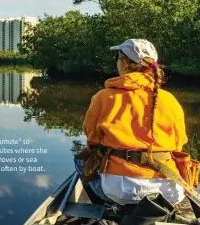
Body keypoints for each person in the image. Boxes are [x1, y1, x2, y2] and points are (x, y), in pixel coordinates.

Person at [75, 39, 188, 206]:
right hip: (169, 192)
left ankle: (106, 208)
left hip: (119, 191)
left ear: (125, 63)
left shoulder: (103, 97)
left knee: (79, 161)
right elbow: (179, 145)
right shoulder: (170, 100)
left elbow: (93, 141)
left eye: (117, 57)